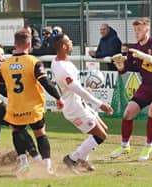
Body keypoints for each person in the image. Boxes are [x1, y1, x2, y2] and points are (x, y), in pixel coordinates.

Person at [0, 30, 63, 174]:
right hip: (33, 107)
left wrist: (11, 95)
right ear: (29, 44)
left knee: (16, 132)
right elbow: (46, 82)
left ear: (15, 44)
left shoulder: (4, 65)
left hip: (15, 107)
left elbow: (0, 86)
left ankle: (23, 163)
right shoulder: (33, 62)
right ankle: (47, 166)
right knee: (40, 134)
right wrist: (58, 97)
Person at [110, 17, 152, 161]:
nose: (136, 33)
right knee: (127, 113)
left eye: (139, 30)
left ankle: (148, 146)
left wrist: (147, 57)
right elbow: (128, 67)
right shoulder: (135, 47)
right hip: (146, 86)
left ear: (147, 29)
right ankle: (125, 145)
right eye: (135, 30)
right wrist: (120, 66)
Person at [51, 33, 113, 173]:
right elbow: (76, 89)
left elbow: (75, 88)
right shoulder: (62, 69)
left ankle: (81, 158)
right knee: (101, 136)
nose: (72, 42)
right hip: (74, 108)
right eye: (69, 41)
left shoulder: (60, 61)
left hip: (79, 103)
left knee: (104, 130)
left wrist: (85, 91)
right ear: (64, 46)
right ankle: (71, 159)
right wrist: (99, 103)